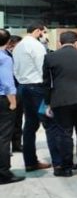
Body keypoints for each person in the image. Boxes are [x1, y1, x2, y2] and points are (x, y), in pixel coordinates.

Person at [42, 31, 77, 176]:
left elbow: (47, 83)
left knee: (64, 134)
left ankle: (66, 168)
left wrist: (48, 103)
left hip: (61, 101)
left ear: (60, 43)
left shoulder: (50, 57)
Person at [12, 24, 54, 172]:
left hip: (23, 88)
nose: (44, 35)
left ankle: (30, 162)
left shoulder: (18, 47)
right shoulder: (36, 46)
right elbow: (43, 68)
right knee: (49, 123)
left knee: (29, 125)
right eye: (43, 32)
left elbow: (15, 70)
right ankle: (59, 161)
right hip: (38, 90)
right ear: (37, 31)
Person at [0, 29, 24, 184]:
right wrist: (13, 102)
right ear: (8, 42)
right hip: (3, 99)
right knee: (3, 138)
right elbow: (8, 83)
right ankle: (3, 173)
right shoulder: (5, 58)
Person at [6, 35, 23, 153]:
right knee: (8, 122)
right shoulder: (5, 56)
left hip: (17, 90)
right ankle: (6, 148)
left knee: (17, 119)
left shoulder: (13, 55)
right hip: (9, 93)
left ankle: (17, 144)